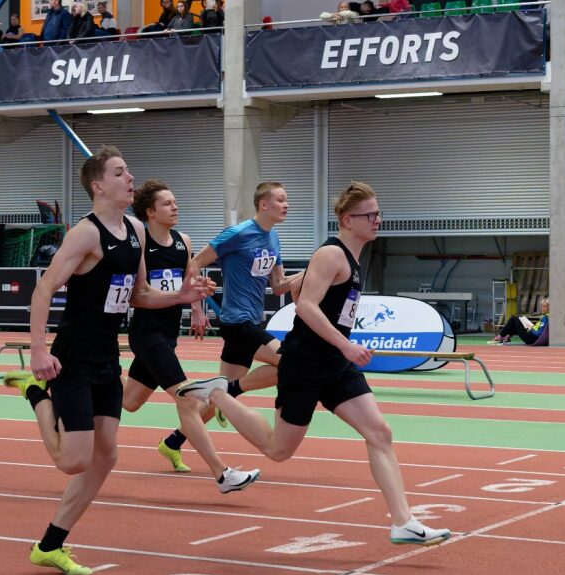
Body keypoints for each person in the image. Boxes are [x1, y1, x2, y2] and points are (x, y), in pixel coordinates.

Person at [180, 182, 451, 547]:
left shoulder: (352, 258)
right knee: (278, 450)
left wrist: (340, 345)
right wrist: (346, 344)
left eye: (378, 213)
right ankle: (219, 393)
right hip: (306, 361)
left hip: (336, 364)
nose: (377, 220)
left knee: (379, 433)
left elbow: (295, 292)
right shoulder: (331, 254)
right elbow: (305, 306)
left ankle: (403, 521)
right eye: (370, 215)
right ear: (347, 220)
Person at [3, 146, 215, 575]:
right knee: (74, 461)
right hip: (74, 356)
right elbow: (43, 290)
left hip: (107, 356)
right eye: (120, 172)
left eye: (129, 170)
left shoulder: (136, 230)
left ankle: (50, 545)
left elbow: (139, 295)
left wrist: (181, 296)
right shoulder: (85, 234)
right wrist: (40, 350)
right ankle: (36, 394)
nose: (130, 177)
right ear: (98, 186)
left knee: (106, 457)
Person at [123, 180, 261, 492]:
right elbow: (135, 296)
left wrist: (197, 305)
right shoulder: (140, 244)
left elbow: (191, 278)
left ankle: (84, 377)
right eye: (167, 203)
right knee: (187, 399)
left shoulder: (182, 241)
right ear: (150, 212)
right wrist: (179, 297)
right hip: (146, 332)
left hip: (169, 333)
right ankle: (223, 475)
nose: (175, 207)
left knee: (130, 402)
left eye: (175, 202)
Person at [154, 182, 301, 473]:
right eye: (281, 200)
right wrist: (196, 306)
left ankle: (172, 442)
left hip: (252, 321)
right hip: (237, 322)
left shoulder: (274, 238)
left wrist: (313, 271)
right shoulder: (238, 233)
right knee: (291, 362)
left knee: (217, 399)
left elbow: (278, 285)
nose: (287, 205)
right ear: (264, 204)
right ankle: (230, 390)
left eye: (287, 200)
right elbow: (194, 263)